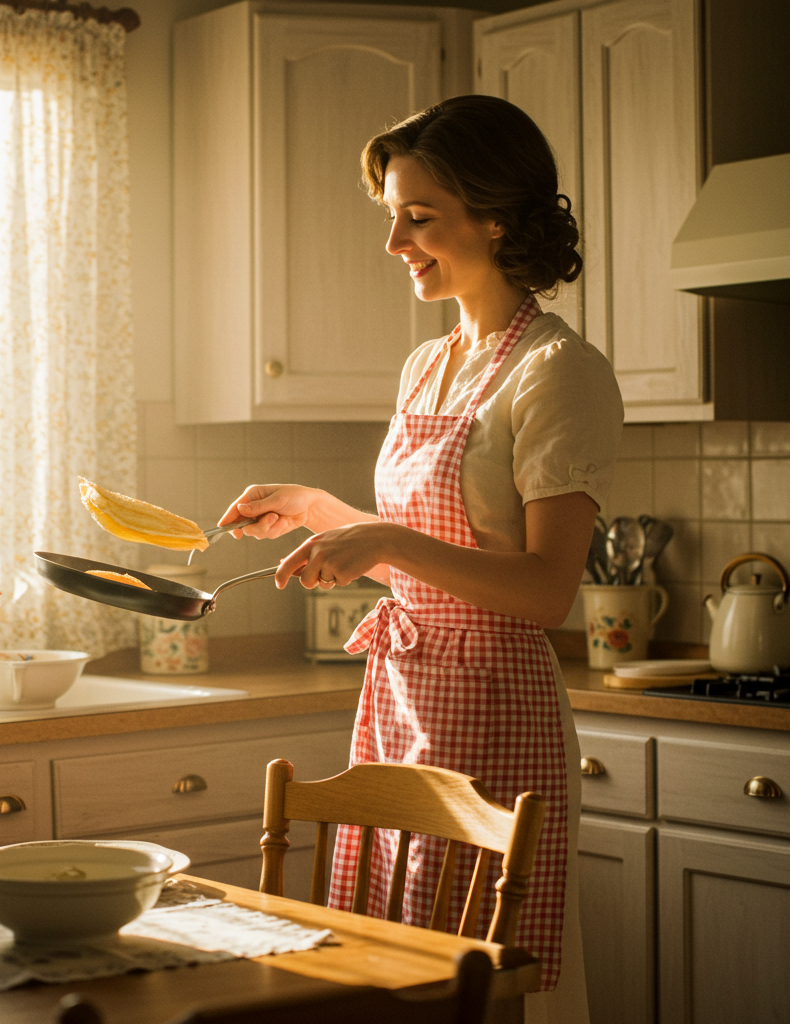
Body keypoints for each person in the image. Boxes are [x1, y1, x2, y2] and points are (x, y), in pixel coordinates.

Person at [219, 94, 623, 1024]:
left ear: (496, 217)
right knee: (395, 955)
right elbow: (437, 556)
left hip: (494, 699)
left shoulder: (558, 371)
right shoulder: (428, 364)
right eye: (393, 215)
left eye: (419, 217)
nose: (395, 241)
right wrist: (321, 512)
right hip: (405, 694)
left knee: (477, 977)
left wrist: (387, 539)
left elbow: (545, 590)